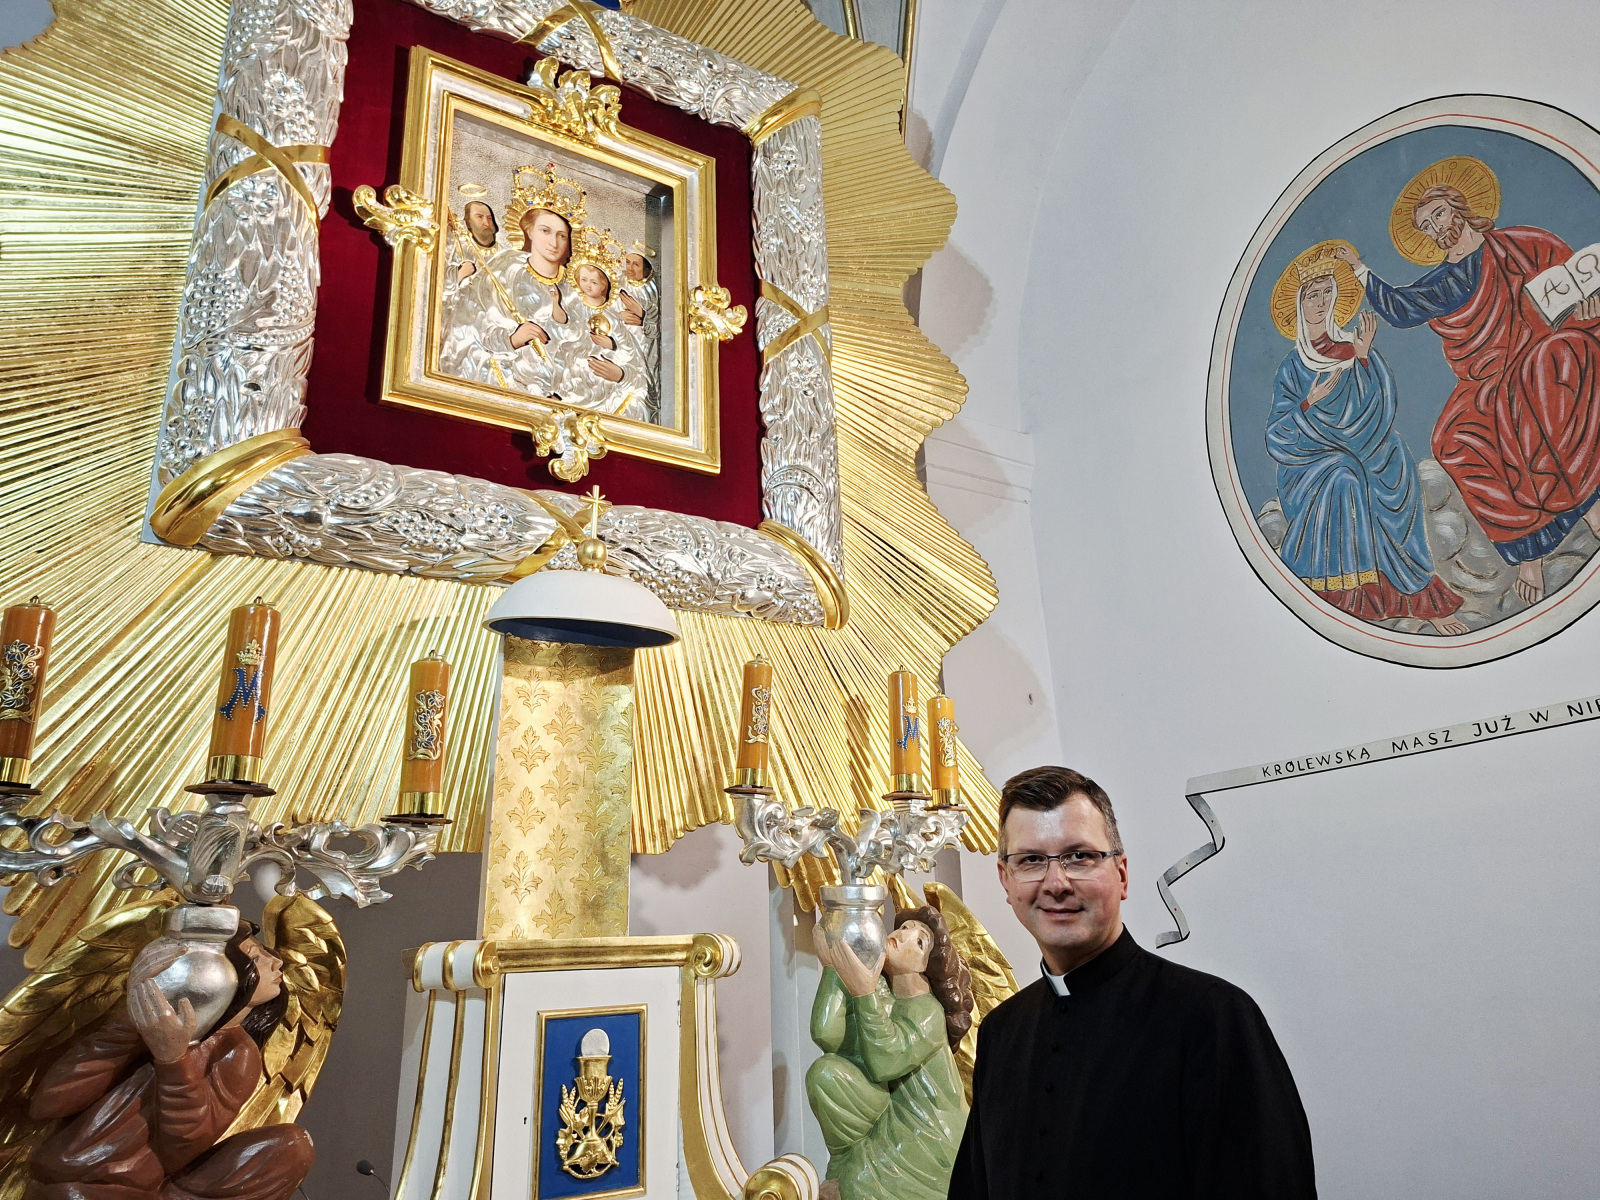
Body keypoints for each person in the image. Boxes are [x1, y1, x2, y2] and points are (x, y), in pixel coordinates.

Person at [948, 766, 1316, 1200]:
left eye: (1079, 856)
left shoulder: (1213, 1017)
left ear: (1121, 874)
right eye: (1030, 860)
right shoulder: (1001, 1032)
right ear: (1006, 881)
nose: (1056, 883)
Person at [1336, 168, 1600, 605]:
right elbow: (1401, 307)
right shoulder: (1443, 281)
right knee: (1453, 437)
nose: (1435, 228)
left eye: (1438, 214)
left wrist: (1589, 307)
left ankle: (1590, 504)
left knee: (1544, 376)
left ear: (1459, 207)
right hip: (1487, 379)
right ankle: (1530, 548)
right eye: (1426, 226)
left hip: (1545, 351)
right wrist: (1359, 269)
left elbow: (1575, 285)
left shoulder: (1524, 244)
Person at [25, 920, 313, 1200]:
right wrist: (133, 1019)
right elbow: (48, 1103)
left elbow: (182, 1148)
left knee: (291, 1147)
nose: (277, 962)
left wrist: (173, 1060)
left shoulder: (236, 1051)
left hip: (132, 1189)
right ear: (218, 971)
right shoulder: (151, 1023)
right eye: (256, 957)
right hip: (68, 1183)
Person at [1267, 246, 1467, 633]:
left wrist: (1362, 357)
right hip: (1312, 462)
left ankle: (1416, 596)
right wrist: (1309, 402)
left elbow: (1378, 408)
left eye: (1327, 292)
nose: (1321, 302)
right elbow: (1277, 435)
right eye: (1312, 295)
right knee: (1344, 475)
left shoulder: (1354, 349)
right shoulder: (1293, 367)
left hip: (1365, 445)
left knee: (1396, 458)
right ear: (1299, 304)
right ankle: (1342, 598)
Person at [807, 906, 971, 1200]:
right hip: (893, 1112)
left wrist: (863, 992)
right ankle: (845, 1163)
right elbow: (826, 1034)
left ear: (925, 965)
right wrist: (833, 968)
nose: (903, 935)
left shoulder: (928, 1011)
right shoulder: (880, 991)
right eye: (905, 927)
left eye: (919, 942)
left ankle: (852, 1178)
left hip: (931, 1131)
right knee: (825, 1075)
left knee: (859, 1184)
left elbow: (886, 1061)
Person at [557, 229, 649, 421]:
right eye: (583, 280)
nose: (588, 285)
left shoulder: (613, 316)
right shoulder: (571, 307)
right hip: (573, 377)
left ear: (604, 286)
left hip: (603, 383)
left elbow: (628, 349)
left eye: (594, 282)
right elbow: (561, 335)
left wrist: (612, 345)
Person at [619, 241, 660, 418]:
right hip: (620, 341)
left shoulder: (654, 290)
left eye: (636, 264)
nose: (630, 268)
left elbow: (661, 326)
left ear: (647, 268)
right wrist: (619, 316)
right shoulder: (618, 282)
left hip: (645, 346)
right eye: (628, 262)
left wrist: (643, 315)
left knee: (643, 383)